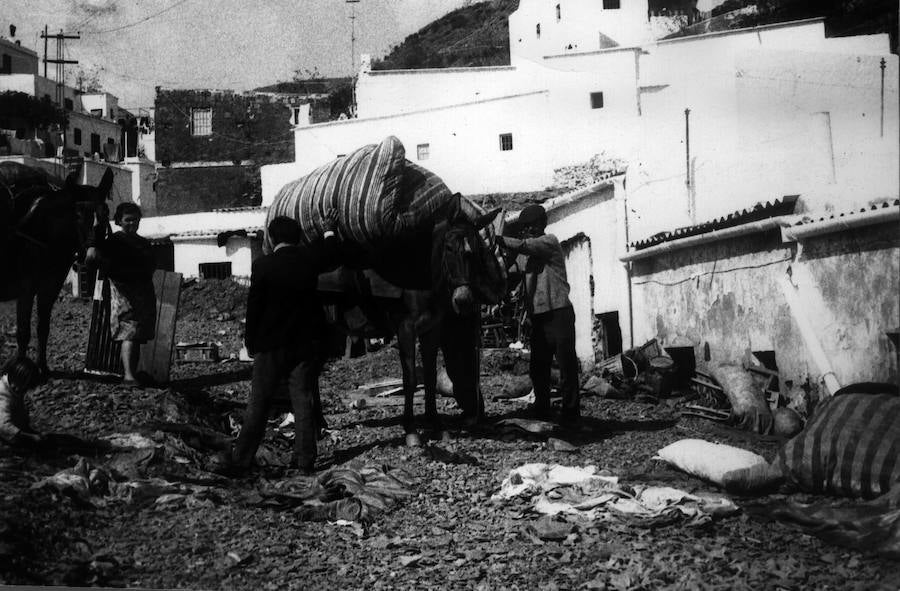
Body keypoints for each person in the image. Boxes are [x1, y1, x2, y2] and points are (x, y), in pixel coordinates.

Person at [214, 212, 341, 477]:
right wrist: (329, 230)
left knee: (259, 402)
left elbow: (254, 307)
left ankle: (241, 460)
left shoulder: (263, 265)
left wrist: (250, 341)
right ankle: (305, 461)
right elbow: (330, 252)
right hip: (306, 343)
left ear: (272, 238)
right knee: (302, 400)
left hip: (271, 344)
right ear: (297, 238)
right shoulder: (309, 260)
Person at [497, 204, 581, 426]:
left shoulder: (549, 242)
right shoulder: (529, 256)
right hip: (540, 318)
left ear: (542, 224)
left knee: (566, 367)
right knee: (538, 368)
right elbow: (511, 271)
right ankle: (543, 409)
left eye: (532, 226)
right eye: (526, 227)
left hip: (559, 313)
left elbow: (523, 245)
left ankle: (571, 414)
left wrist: (499, 240)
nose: (529, 230)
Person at [94, 203, 156, 384]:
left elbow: (151, 265)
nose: (132, 223)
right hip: (123, 293)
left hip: (142, 292)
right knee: (128, 332)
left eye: (135, 219)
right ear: (119, 221)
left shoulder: (143, 243)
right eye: (128, 220)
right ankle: (129, 375)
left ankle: (132, 374)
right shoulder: (114, 242)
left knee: (136, 335)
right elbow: (105, 264)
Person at [0, 357, 42, 446]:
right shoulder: (3, 396)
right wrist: (29, 436)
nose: (25, 391)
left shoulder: (15, 389)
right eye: (25, 388)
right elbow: (4, 426)